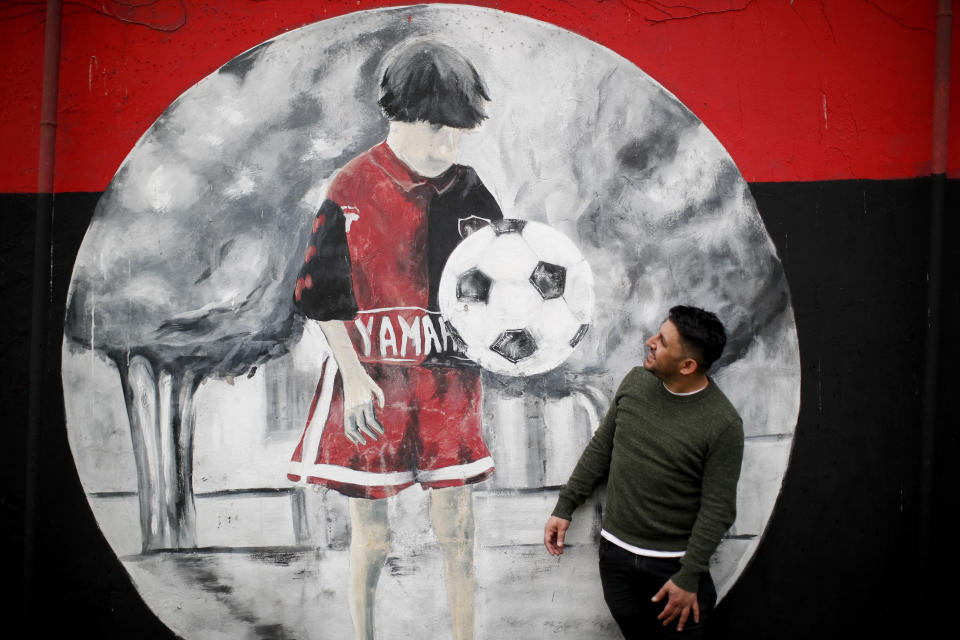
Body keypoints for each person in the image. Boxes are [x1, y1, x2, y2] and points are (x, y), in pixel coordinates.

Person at [286, 39, 502, 640]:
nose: (447, 144)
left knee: (457, 526)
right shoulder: (352, 185)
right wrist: (353, 380)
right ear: (398, 116)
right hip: (371, 374)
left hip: (447, 377)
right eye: (436, 128)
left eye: (458, 131)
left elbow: (501, 283)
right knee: (373, 535)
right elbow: (318, 293)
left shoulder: (470, 190)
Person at [543, 305, 744, 638]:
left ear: (688, 365)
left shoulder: (723, 424)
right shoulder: (636, 381)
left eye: (663, 342)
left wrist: (688, 576)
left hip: (673, 571)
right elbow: (600, 450)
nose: (650, 342)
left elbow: (718, 510)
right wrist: (565, 506)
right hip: (616, 562)